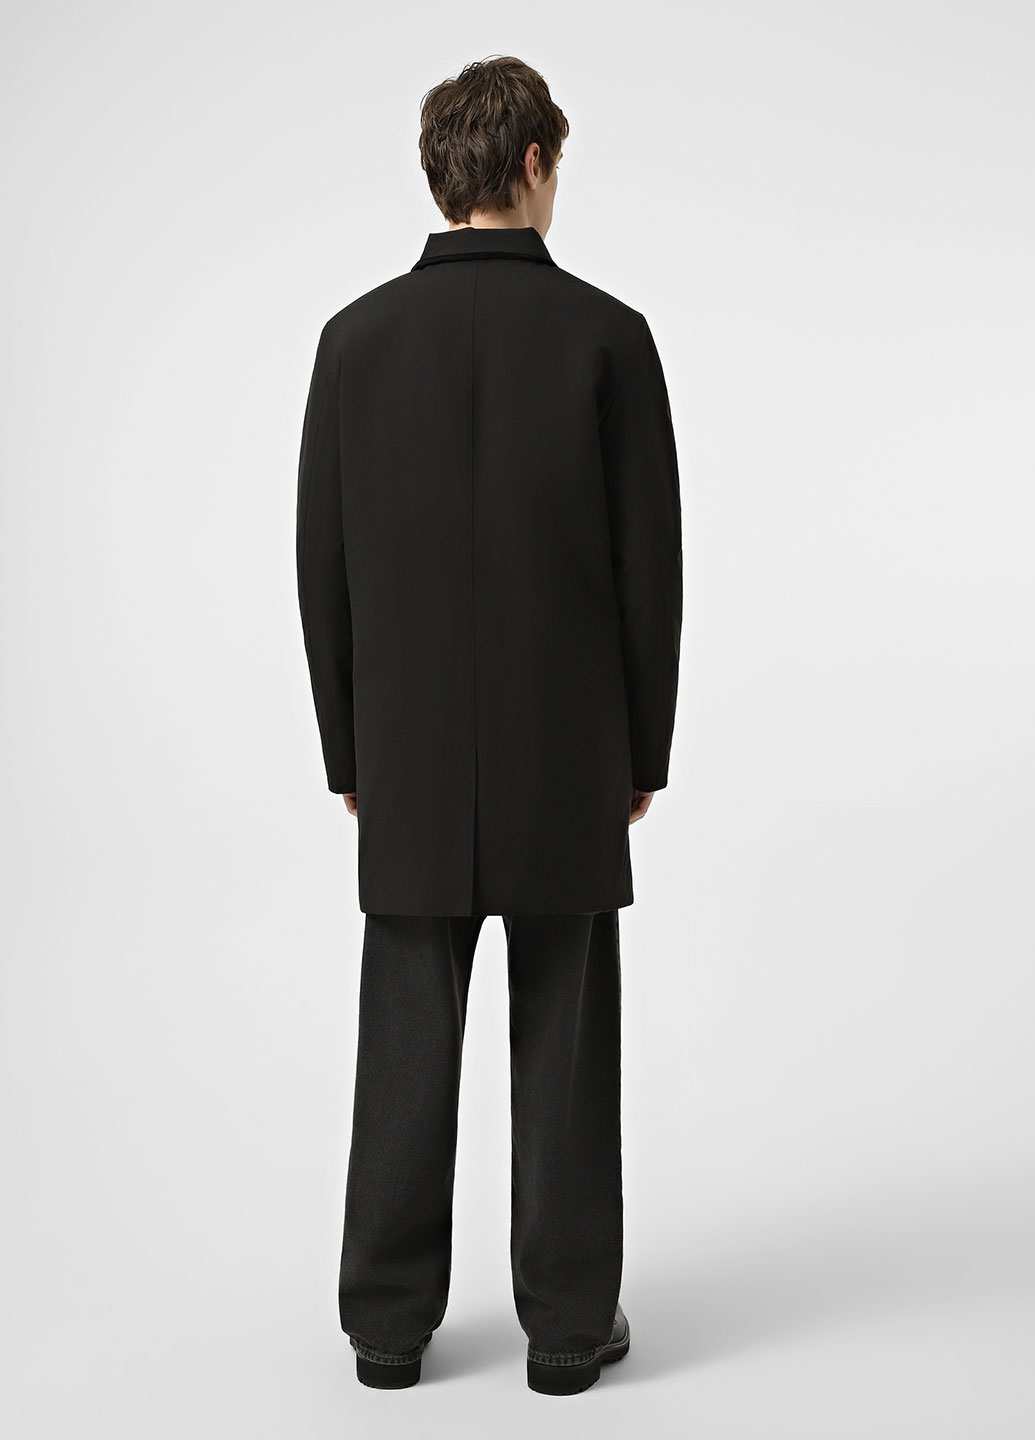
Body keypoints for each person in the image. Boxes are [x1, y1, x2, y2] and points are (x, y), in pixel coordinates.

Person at [295, 54, 682, 1396]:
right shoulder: (608, 337)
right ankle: (568, 1326)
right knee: (564, 1038)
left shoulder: (354, 342)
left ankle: (387, 1325)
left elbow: (323, 565)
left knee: (405, 1030)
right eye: (555, 163)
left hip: (405, 753)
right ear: (531, 163)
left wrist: (349, 750)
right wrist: (642, 750)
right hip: (568, 747)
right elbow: (649, 566)